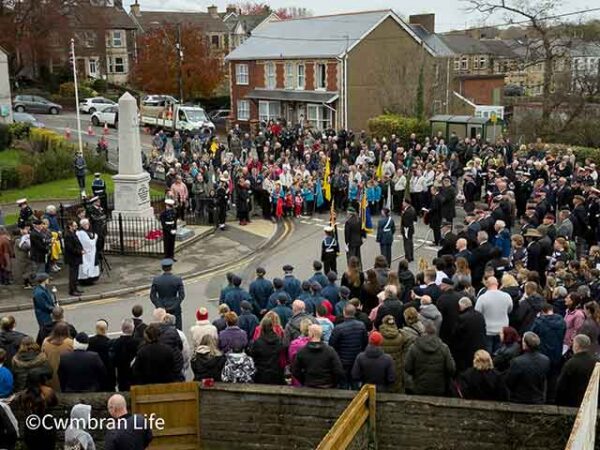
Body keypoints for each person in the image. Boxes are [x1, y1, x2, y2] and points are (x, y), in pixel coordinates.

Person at [405, 321, 456, 396]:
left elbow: (407, 367)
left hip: (419, 388)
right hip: (439, 389)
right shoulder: (443, 348)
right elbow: (451, 369)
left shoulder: (414, 347)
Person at [292, 324, 345, 388]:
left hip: (309, 385)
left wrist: (304, 380)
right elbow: (339, 371)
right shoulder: (330, 351)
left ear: (311, 335)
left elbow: (295, 371)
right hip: (327, 385)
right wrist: (333, 383)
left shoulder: (302, 351)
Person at [505, 331, 551, 404]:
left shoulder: (517, 362)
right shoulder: (546, 360)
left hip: (519, 399)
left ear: (525, 344)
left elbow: (509, 382)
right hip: (538, 399)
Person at [329, 304, 368, 389]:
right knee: (355, 384)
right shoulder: (361, 326)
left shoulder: (338, 328)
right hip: (356, 359)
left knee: (343, 383)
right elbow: (365, 342)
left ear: (344, 313)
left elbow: (332, 344)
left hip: (343, 361)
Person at [16, 371, 58, 450]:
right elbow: (55, 403)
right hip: (47, 425)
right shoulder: (49, 392)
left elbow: (22, 408)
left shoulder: (23, 395)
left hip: (31, 426)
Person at [556, 334, 598, 407]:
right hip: (591, 402)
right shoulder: (596, 362)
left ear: (577, 345)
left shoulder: (571, 363)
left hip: (573, 402)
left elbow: (561, 386)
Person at [474, 277, 513, 353]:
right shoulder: (507, 296)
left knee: (488, 354)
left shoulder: (482, 298)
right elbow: (510, 310)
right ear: (498, 284)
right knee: (500, 354)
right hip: (502, 330)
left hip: (487, 330)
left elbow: (477, 313)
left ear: (487, 285)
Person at [452, 297, 487, 374]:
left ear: (462, 306)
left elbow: (455, 333)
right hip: (480, 345)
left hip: (466, 348)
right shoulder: (480, 315)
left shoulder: (462, 318)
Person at [150, 259, 185, 330]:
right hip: (175, 309)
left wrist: (160, 307)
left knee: (161, 330)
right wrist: (175, 305)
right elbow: (182, 295)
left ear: (162, 268)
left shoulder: (156, 280)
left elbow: (152, 296)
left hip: (161, 309)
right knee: (177, 330)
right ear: (171, 267)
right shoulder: (177, 279)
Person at [249, 316, 285, 385]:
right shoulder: (278, 340)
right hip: (275, 372)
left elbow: (253, 355)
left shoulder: (258, 342)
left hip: (261, 373)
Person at [41, 322, 73, 391]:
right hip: (65, 373)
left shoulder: (46, 342)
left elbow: (43, 357)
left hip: (51, 373)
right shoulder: (70, 342)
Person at [111, 319, 139, 391]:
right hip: (134, 376)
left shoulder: (116, 343)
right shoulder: (136, 343)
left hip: (121, 376)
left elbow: (114, 360)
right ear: (132, 329)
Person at [88, 319, 114, 391]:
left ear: (96, 329)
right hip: (107, 377)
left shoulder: (89, 342)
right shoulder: (109, 343)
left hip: (93, 377)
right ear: (106, 330)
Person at [63, 220, 84, 296]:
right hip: (72, 258)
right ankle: (72, 290)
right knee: (73, 275)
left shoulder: (73, 233)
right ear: (70, 226)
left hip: (76, 257)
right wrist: (79, 252)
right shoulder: (68, 235)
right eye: (74, 226)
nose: (76, 227)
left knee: (76, 274)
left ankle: (75, 288)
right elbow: (70, 248)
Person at [401, 198, 417, 262]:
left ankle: (408, 257)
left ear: (406, 203)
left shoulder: (408, 211)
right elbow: (415, 219)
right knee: (410, 242)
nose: (402, 203)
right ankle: (411, 256)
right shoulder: (412, 209)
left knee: (407, 243)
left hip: (407, 229)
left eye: (403, 202)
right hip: (411, 228)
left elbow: (405, 222)